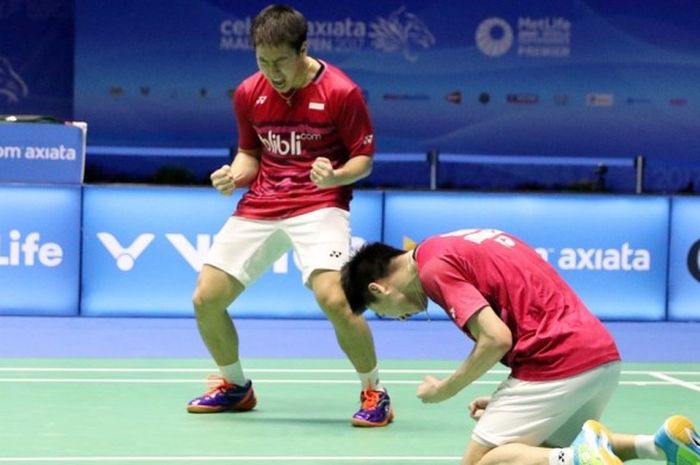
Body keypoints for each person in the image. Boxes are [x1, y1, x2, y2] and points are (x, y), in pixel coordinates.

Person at [186, 4, 393, 427]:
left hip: (319, 203)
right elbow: (250, 154)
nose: (272, 71)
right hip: (262, 203)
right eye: (263, 61)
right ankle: (235, 387)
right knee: (206, 299)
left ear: (303, 49)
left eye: (280, 61)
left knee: (335, 298)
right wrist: (234, 176)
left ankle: (375, 391)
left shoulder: (341, 92)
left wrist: (334, 175)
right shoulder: (248, 92)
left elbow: (364, 160)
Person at [340, 228, 700, 464]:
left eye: (382, 313)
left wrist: (443, 390)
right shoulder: (455, 241)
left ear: (378, 289)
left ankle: (576, 459)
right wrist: (506, 400)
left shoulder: (433, 269)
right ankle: (660, 444)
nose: (399, 317)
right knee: (540, 452)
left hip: (555, 363)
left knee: (483, 462)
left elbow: (496, 339)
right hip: (599, 356)